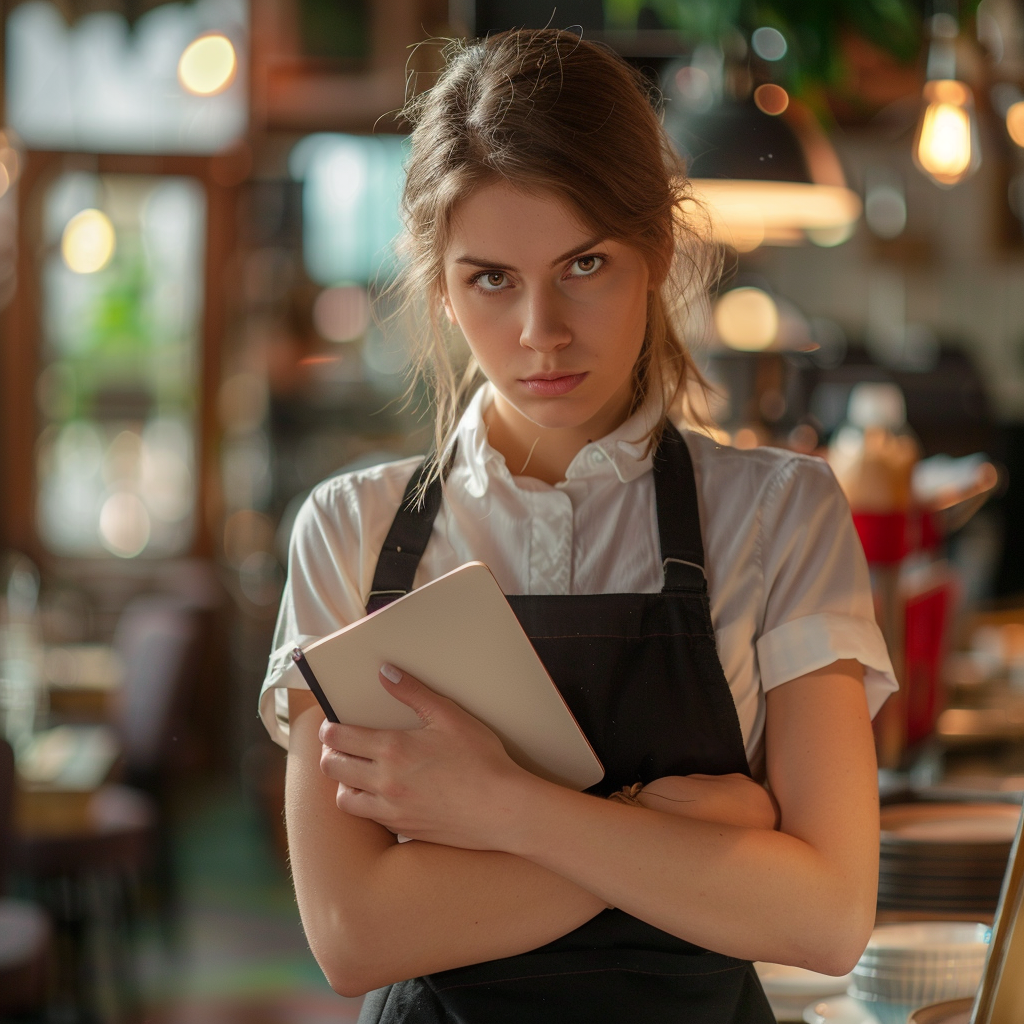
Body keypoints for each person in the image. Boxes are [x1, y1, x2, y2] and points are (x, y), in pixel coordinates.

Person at [260, 28, 898, 1024]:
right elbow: (355, 934)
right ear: (438, 283)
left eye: (584, 263)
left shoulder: (781, 514)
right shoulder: (349, 531)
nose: (540, 332)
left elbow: (822, 914)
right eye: (490, 279)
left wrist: (499, 812)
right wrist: (669, 835)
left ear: (656, 247)